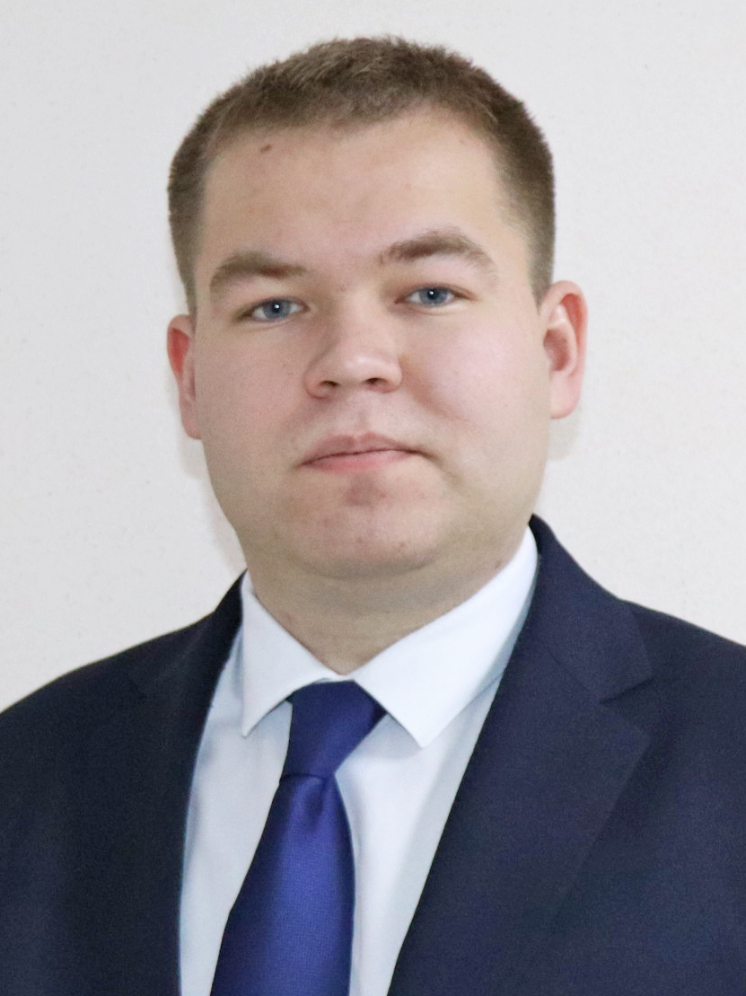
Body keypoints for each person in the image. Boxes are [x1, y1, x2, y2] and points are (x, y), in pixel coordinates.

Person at [2, 36, 746, 996]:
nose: (353, 359)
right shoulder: (25, 780)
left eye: (430, 293)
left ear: (556, 350)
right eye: (275, 306)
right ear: (189, 380)